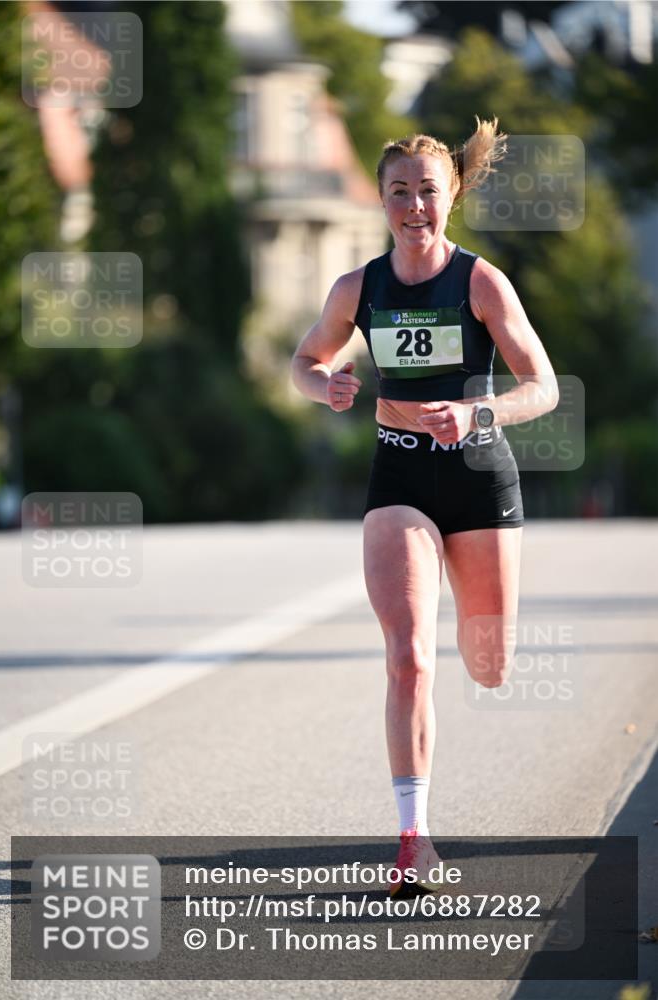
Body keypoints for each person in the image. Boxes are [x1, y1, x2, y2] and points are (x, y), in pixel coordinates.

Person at [290, 119, 558, 898]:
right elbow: (304, 360)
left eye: (427, 191)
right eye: (398, 192)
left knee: (488, 665)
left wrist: (477, 415)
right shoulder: (358, 288)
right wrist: (326, 384)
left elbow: (541, 385)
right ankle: (413, 837)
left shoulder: (480, 282)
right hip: (398, 478)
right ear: (379, 200)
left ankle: (423, 813)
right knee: (408, 657)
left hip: (477, 476)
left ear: (453, 196)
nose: (413, 206)